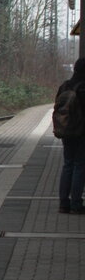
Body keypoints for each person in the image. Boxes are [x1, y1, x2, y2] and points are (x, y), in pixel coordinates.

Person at [57, 57, 85, 213]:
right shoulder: (83, 87)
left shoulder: (65, 85)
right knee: (79, 165)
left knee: (68, 164)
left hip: (66, 131)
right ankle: (76, 204)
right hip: (81, 132)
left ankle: (63, 203)